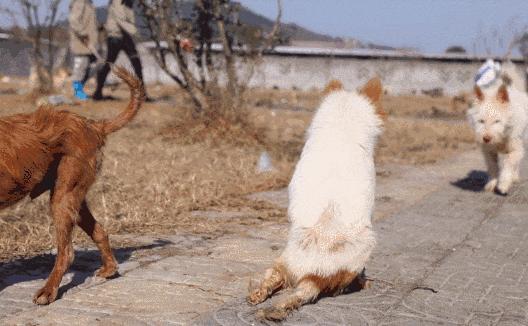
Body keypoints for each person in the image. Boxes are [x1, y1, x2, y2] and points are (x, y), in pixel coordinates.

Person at [93, 0, 148, 100]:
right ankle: (97, 92)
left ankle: (142, 94)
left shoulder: (128, 3)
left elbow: (130, 20)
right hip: (115, 37)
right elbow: (121, 20)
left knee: (137, 64)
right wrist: (136, 32)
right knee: (109, 64)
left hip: (126, 36)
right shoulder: (117, 2)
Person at [68, 0, 98, 100]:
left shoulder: (88, 3)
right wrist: (83, 33)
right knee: (80, 69)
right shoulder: (79, 2)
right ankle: (77, 92)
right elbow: (73, 19)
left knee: (88, 68)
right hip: (81, 43)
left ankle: (79, 90)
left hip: (88, 44)